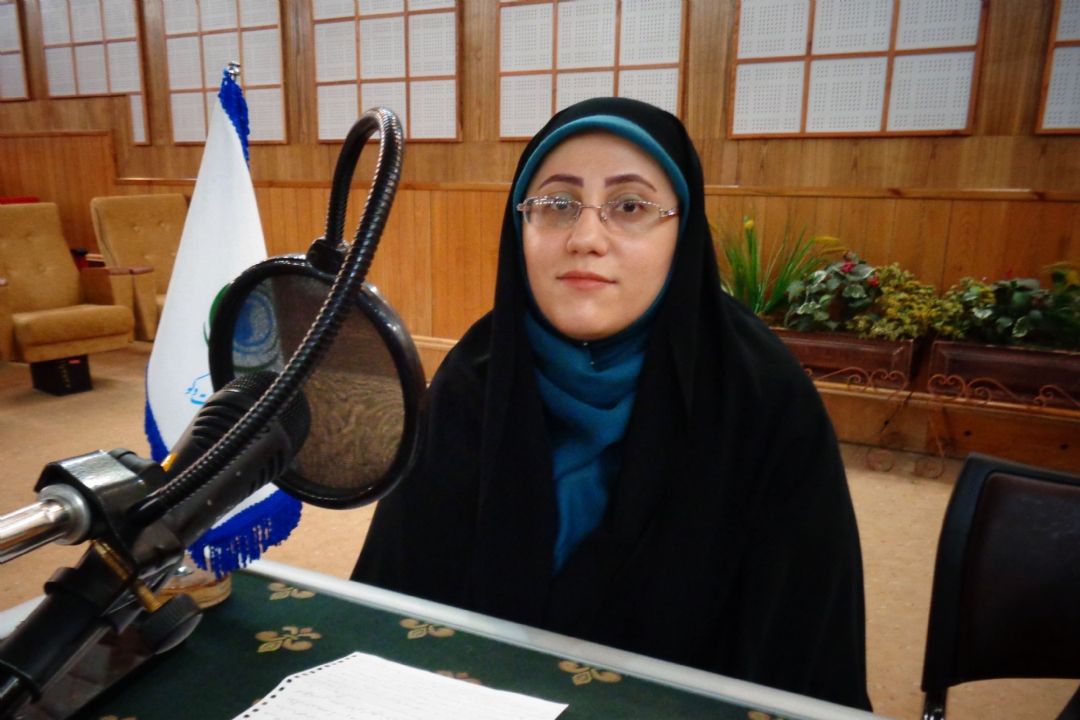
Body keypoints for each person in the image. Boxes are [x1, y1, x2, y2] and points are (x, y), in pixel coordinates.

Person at [352, 97, 872, 710]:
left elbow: (801, 662)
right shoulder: (474, 378)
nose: (586, 238)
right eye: (556, 205)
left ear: (683, 232)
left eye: (629, 206)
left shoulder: (763, 399)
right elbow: (396, 609)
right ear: (520, 225)